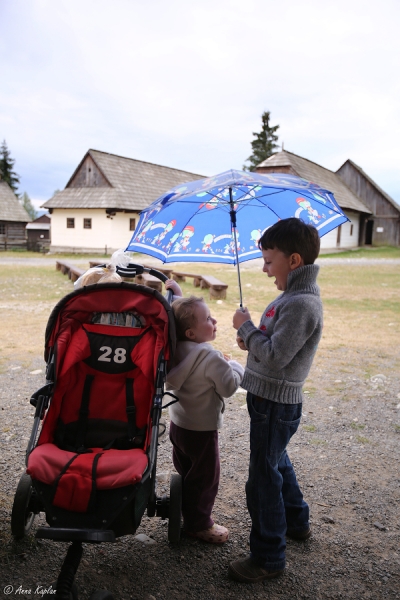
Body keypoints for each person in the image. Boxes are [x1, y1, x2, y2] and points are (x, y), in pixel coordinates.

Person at [229, 217, 323, 583]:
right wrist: (250, 336)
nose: (265, 269)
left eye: (269, 261)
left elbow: (276, 355)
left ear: (294, 261)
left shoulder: (301, 304)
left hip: (274, 405)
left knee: (262, 478)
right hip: (268, 400)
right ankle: (297, 521)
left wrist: (248, 330)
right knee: (276, 460)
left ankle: (268, 556)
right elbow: (268, 344)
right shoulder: (289, 297)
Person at [164, 281, 244, 544]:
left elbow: (176, 314)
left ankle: (186, 508)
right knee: (206, 478)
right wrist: (235, 365)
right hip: (202, 429)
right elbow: (229, 387)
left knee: (188, 471)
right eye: (208, 319)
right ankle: (199, 524)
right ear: (190, 332)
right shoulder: (210, 358)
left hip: (179, 425)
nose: (214, 320)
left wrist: (175, 294)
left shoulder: (174, 350)